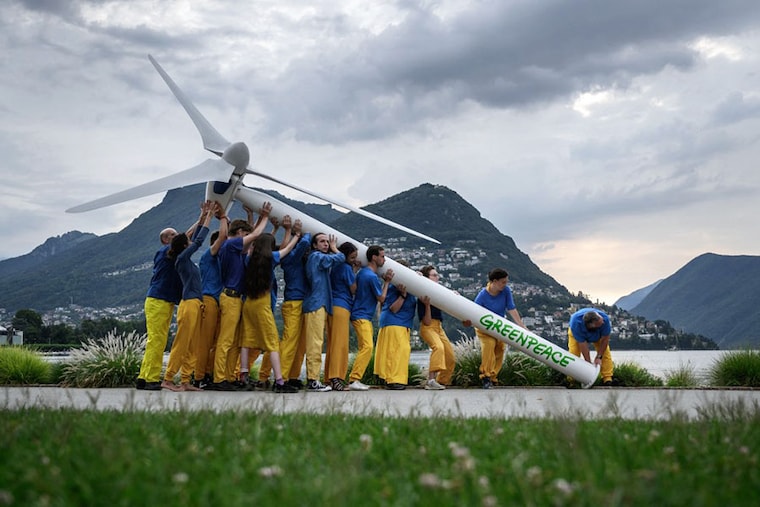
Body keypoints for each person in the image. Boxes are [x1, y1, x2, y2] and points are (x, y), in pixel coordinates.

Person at [207, 202, 271, 391]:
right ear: (240, 233)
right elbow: (255, 235)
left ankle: (228, 376)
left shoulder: (238, 251)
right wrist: (265, 216)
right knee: (226, 340)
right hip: (230, 297)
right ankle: (219, 378)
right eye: (245, 234)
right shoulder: (230, 244)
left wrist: (255, 218)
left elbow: (251, 238)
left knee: (235, 342)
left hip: (237, 299)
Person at [135, 217, 199, 391]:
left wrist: (202, 218)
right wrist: (201, 218)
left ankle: (143, 377)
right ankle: (151, 379)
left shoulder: (175, 255)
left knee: (155, 340)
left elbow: (185, 238)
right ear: (165, 240)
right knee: (157, 340)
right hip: (158, 300)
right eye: (172, 234)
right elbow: (186, 236)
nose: (176, 235)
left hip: (163, 301)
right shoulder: (165, 251)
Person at [240, 223, 302, 393]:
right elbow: (287, 249)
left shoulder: (248, 259)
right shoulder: (271, 258)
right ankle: (280, 381)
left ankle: (243, 376)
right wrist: (296, 235)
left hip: (248, 303)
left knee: (246, 340)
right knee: (273, 343)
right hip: (262, 305)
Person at [162, 201, 215, 391]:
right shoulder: (181, 259)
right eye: (188, 242)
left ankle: (185, 380)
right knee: (182, 343)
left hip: (196, 304)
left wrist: (202, 215)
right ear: (185, 246)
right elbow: (198, 240)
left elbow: (192, 237)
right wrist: (209, 216)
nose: (191, 243)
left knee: (193, 345)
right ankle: (168, 378)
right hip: (189, 304)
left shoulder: (186, 260)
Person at [302, 232, 345, 392]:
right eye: (322, 241)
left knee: (317, 342)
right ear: (314, 245)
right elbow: (339, 258)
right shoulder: (316, 257)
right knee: (315, 343)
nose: (326, 244)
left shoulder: (317, 258)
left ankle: (313, 379)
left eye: (328, 242)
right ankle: (313, 380)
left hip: (320, 303)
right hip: (316, 304)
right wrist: (335, 248)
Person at [348, 244, 394, 391]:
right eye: (382, 256)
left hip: (358, 314)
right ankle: (354, 379)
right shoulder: (371, 276)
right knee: (367, 347)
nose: (384, 260)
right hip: (362, 315)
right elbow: (381, 298)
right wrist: (386, 282)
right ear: (374, 257)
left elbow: (354, 289)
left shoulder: (362, 273)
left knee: (365, 346)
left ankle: (355, 379)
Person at [473, 268, 525, 389]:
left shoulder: (506, 291)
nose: (505, 284)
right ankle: (485, 376)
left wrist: (521, 326)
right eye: (503, 282)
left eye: (506, 282)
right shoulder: (482, 296)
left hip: (499, 326)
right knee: (489, 347)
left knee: (500, 349)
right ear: (494, 281)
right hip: (484, 328)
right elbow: (474, 311)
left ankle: (493, 376)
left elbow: (511, 308)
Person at [374, 261, 417, 390]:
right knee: (398, 352)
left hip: (398, 323)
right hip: (395, 322)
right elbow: (393, 308)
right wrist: (403, 296)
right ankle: (394, 380)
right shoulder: (397, 288)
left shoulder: (397, 286)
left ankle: (391, 379)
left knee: (399, 351)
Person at [278, 230, 312, 390]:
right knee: (290, 341)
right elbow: (305, 243)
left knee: (300, 344)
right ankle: (281, 379)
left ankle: (292, 376)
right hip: (293, 303)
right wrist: (304, 233)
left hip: (300, 302)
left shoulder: (295, 260)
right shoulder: (291, 259)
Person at [325, 241, 358, 391]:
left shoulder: (335, 266)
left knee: (333, 343)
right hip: (342, 306)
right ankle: (336, 377)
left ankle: (329, 377)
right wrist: (355, 272)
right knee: (340, 344)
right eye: (352, 258)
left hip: (332, 306)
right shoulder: (345, 267)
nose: (354, 260)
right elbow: (353, 289)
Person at [417, 265, 455, 390]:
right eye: (434, 275)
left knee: (450, 356)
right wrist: (427, 305)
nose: (437, 277)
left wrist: (453, 295)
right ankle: (431, 380)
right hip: (428, 327)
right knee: (438, 348)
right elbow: (427, 322)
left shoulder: (438, 292)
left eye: (437, 275)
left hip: (439, 327)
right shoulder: (423, 294)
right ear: (427, 278)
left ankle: (441, 381)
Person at [567, 308, 615, 385]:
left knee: (605, 354)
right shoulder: (575, 323)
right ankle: (571, 380)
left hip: (598, 335)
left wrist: (599, 357)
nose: (602, 322)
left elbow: (605, 340)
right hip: (577, 334)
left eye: (601, 320)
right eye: (599, 323)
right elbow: (583, 345)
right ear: (591, 325)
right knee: (573, 354)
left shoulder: (604, 320)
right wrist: (588, 363)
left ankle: (607, 378)